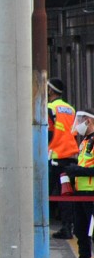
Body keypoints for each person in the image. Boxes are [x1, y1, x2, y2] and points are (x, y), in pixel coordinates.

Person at [64, 110, 94, 258]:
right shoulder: (84, 142)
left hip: (92, 195)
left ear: (89, 120)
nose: (78, 124)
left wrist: (78, 171)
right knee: (81, 234)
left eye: (81, 120)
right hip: (80, 194)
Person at [49, 77, 79, 240]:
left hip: (56, 155)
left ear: (51, 91)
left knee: (57, 193)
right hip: (70, 154)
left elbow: (47, 132)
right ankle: (68, 225)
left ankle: (65, 227)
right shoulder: (70, 109)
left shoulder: (49, 108)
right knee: (66, 191)